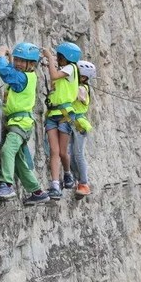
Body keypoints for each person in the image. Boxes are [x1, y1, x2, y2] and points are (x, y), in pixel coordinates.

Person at [0, 43, 50, 205]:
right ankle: (37, 191)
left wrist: (2, 54)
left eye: (22, 61)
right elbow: (12, 71)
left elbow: (4, 71)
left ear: (31, 64)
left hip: (20, 122)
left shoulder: (22, 78)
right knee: (19, 160)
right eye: (16, 59)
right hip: (21, 122)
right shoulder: (27, 75)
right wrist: (11, 58)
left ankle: (6, 185)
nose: (17, 63)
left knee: (7, 150)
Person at [41, 42, 81, 199]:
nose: (57, 59)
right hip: (52, 114)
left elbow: (54, 75)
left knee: (63, 152)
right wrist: (49, 62)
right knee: (54, 151)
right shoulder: (64, 70)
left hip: (65, 114)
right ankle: (55, 185)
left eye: (59, 57)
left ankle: (67, 173)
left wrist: (49, 57)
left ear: (66, 58)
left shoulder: (71, 69)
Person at [69, 60, 96, 198]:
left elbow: (73, 94)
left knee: (78, 154)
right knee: (70, 154)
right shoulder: (79, 85)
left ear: (84, 77)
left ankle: (84, 183)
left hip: (79, 124)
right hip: (70, 122)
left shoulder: (83, 89)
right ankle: (77, 179)